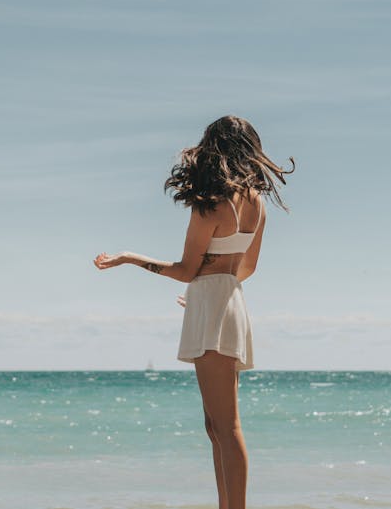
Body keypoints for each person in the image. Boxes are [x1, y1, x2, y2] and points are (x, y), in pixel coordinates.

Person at [94, 114, 294, 509]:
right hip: (229, 301)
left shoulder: (210, 205)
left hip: (214, 304)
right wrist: (209, 291)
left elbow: (185, 269)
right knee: (215, 426)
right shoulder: (257, 204)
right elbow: (246, 268)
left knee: (227, 425)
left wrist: (132, 259)